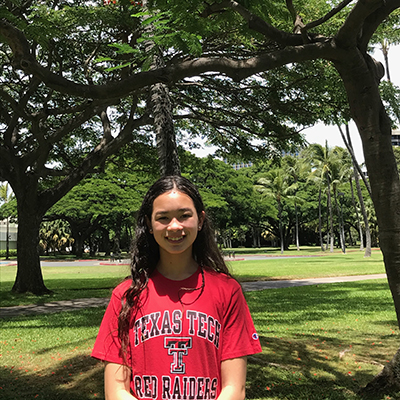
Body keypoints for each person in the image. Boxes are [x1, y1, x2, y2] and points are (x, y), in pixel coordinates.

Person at [91, 175, 262, 400]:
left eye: (184, 216)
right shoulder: (125, 295)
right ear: (149, 225)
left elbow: (234, 388)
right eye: (163, 218)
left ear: (200, 220)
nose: (174, 226)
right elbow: (116, 392)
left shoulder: (227, 291)